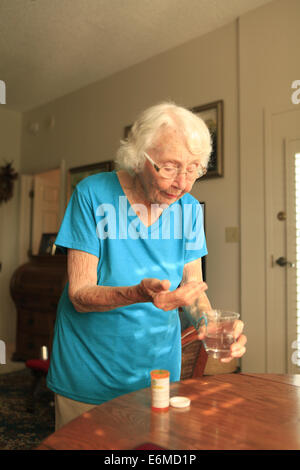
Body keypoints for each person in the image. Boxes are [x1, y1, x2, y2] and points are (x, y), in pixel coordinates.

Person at [47, 101, 247, 430]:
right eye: (169, 167)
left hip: (157, 374)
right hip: (90, 370)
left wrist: (210, 325)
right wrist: (138, 294)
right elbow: (79, 295)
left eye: (194, 168)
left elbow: (193, 291)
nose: (183, 183)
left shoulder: (190, 210)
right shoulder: (92, 194)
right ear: (139, 156)